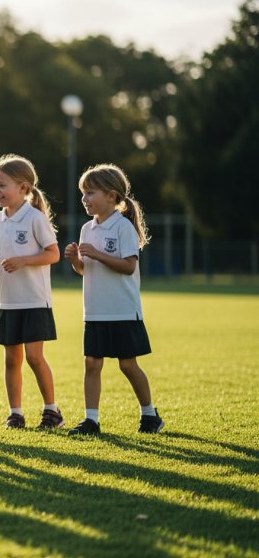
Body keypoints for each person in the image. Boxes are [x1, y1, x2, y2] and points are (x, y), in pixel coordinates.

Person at [64, 164, 163, 435]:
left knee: (127, 364)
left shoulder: (123, 228)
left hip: (122, 310)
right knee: (92, 363)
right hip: (95, 311)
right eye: (82, 193)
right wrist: (77, 261)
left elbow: (128, 266)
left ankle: (150, 414)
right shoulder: (87, 228)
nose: (84, 199)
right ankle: (91, 421)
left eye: (90, 193)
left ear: (110, 195)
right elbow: (85, 270)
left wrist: (96, 254)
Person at [0, 154, 64, 430]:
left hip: (35, 300)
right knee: (12, 358)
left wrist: (24, 261)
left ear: (23, 187)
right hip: (8, 303)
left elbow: (54, 254)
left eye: (3, 185)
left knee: (35, 357)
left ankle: (52, 411)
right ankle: (16, 413)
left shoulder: (35, 218)